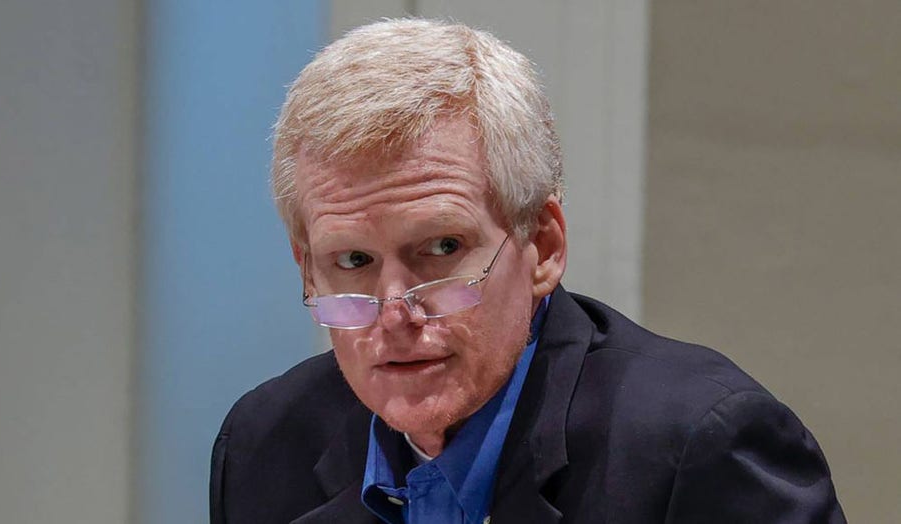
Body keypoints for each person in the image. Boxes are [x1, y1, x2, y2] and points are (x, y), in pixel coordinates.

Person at [210, 18, 844, 523]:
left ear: (541, 245)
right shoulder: (265, 444)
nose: (395, 312)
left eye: (442, 248)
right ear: (307, 271)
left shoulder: (698, 447)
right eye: (353, 262)